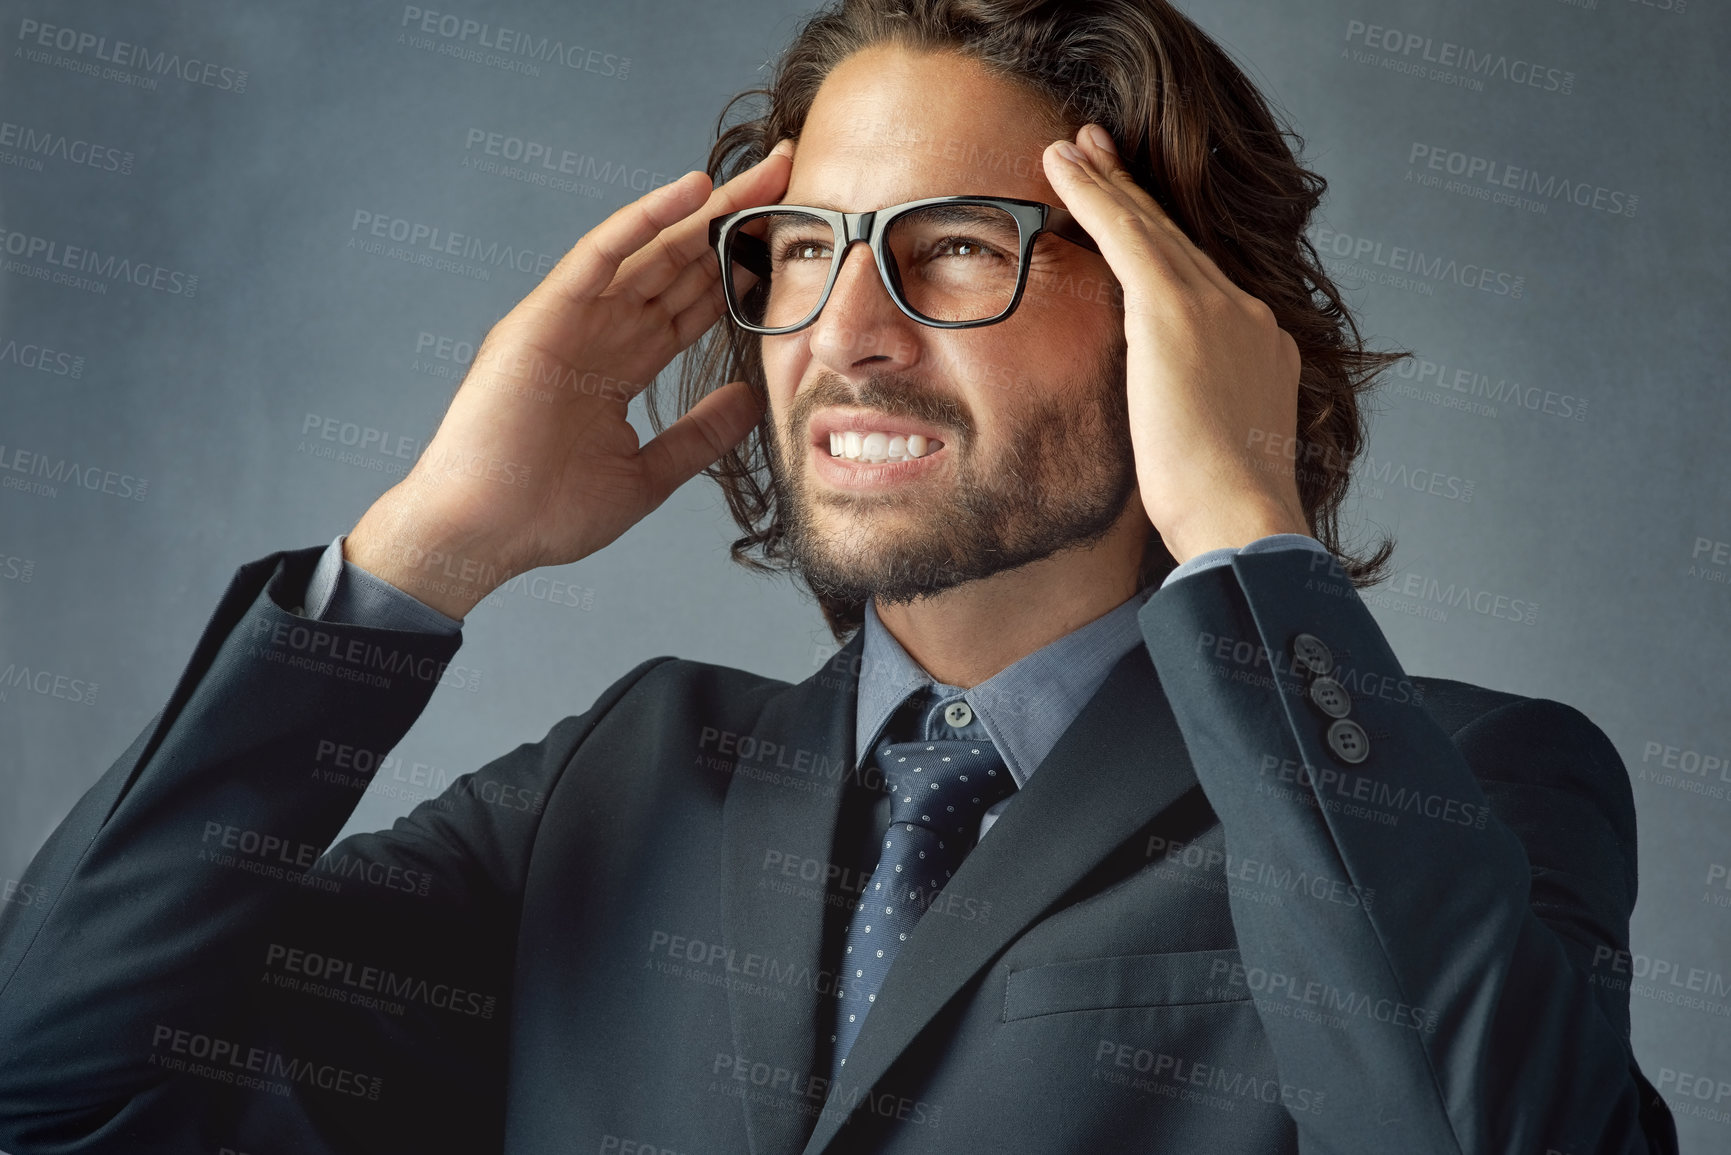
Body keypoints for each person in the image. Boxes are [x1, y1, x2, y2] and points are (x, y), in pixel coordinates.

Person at [0, 1, 1679, 1152]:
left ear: (1184, 309)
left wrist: (1251, 535)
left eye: (953, 246)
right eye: (805, 253)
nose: (846, 338)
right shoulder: (625, 779)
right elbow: (54, 1090)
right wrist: (428, 553)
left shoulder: (1468, 782)